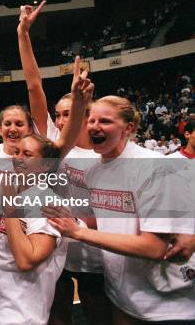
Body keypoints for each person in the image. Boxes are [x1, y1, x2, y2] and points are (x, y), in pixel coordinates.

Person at [46, 96, 195, 324]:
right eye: (91, 120)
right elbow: (104, 221)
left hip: (167, 305)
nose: (95, 126)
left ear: (130, 127)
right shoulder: (95, 171)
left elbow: (154, 247)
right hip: (121, 295)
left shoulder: (153, 166)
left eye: (105, 121)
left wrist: (77, 232)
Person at [17, 1, 109, 325]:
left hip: (97, 256)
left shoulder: (106, 155)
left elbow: (117, 213)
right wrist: (23, 34)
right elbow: (33, 87)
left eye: (66, 113)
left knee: (99, 315)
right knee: (56, 316)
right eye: (57, 114)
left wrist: (81, 221)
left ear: (87, 113)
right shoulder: (54, 146)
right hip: (57, 248)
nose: (58, 119)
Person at [0, 58, 94, 325]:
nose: (18, 157)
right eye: (18, 153)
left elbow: (26, 259)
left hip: (22, 312)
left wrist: (79, 105)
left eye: (26, 153)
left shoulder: (46, 200)